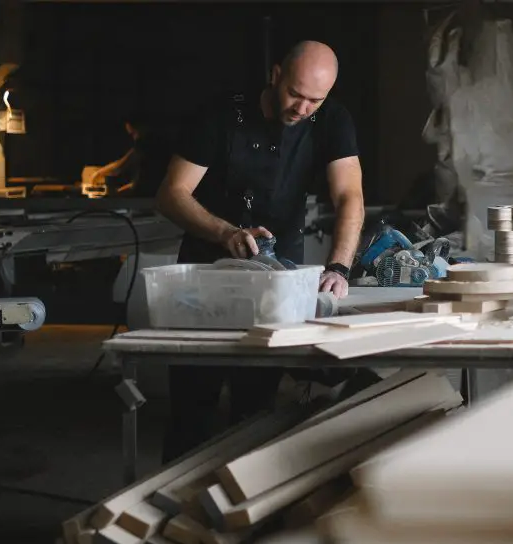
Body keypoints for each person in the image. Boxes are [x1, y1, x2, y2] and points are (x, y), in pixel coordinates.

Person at [155, 40, 365, 462]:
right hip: (207, 268)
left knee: (257, 406)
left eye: (314, 101)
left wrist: (339, 266)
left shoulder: (332, 119)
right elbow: (171, 194)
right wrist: (223, 231)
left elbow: (350, 195)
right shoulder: (220, 115)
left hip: (278, 272)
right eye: (295, 94)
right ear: (275, 76)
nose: (302, 108)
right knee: (193, 404)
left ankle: (244, 506)